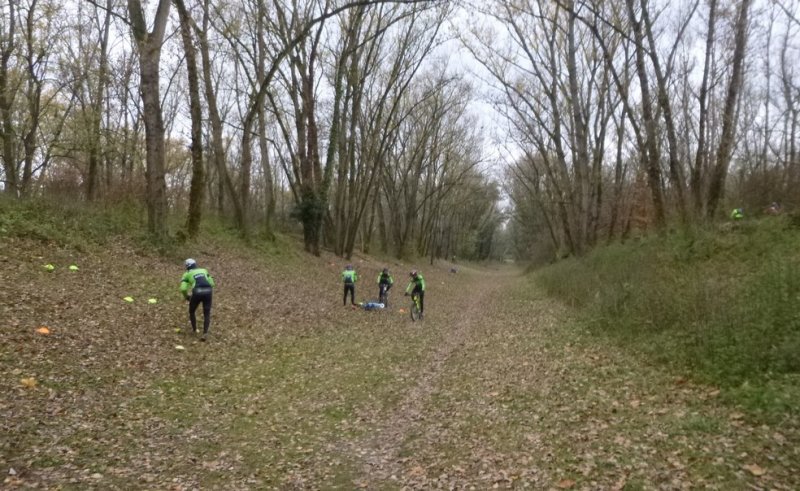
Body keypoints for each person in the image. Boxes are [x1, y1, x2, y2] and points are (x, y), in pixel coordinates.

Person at [180, 258, 216, 341]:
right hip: (208, 291)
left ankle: (194, 330)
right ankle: (205, 333)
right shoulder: (204, 270)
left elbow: (183, 289)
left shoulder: (186, 274)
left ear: (187, 266)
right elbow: (212, 283)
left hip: (197, 291)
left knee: (192, 311)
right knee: (206, 312)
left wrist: (186, 297)